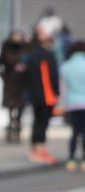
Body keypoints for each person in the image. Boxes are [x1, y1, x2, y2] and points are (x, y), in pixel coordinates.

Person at [23, 24, 61, 164]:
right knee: (43, 123)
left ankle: (35, 149)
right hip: (47, 95)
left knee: (37, 122)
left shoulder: (30, 55)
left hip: (34, 95)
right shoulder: (48, 55)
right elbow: (53, 76)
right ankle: (40, 150)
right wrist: (57, 93)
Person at [0, 29, 30, 143]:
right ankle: (11, 127)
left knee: (21, 107)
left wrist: (25, 70)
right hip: (10, 82)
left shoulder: (26, 49)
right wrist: (4, 77)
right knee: (10, 107)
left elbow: (31, 64)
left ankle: (17, 128)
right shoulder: (6, 48)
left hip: (23, 83)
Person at [58, 42, 85, 170]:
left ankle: (71, 159)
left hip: (72, 104)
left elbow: (63, 89)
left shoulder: (65, 67)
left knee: (74, 132)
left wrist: (62, 104)